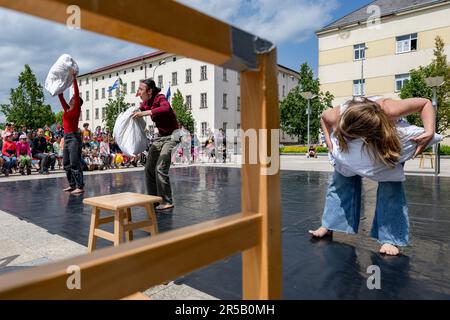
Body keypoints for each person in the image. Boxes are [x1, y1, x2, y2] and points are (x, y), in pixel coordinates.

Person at [309, 97, 435, 256]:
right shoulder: (335, 115)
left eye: (352, 136)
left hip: (386, 137)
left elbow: (425, 103)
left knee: (390, 185)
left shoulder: (390, 109)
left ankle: (390, 238)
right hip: (357, 130)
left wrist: (429, 130)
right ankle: (329, 224)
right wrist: (329, 142)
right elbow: (323, 119)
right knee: (341, 178)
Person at [132, 79, 180, 210]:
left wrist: (145, 113)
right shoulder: (147, 102)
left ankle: (167, 200)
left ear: (150, 91)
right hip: (160, 138)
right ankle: (153, 200)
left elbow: (165, 108)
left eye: (141, 89)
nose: (139, 92)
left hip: (173, 136)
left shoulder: (160, 98)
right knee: (149, 168)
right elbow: (137, 109)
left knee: (160, 168)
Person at [58, 69, 84, 194]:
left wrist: (74, 78)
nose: (72, 98)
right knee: (66, 163)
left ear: (77, 102)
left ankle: (80, 186)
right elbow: (61, 96)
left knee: (74, 162)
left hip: (74, 137)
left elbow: (76, 91)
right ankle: (72, 185)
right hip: (67, 137)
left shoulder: (76, 110)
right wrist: (60, 85)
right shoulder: (67, 109)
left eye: (74, 98)